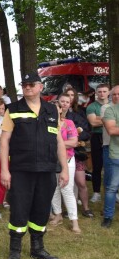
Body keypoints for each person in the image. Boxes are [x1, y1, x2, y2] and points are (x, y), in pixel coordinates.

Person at [0, 72, 69, 259]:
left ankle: (37, 248)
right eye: (25, 85)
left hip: (47, 169)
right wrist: (5, 170)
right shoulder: (13, 109)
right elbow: (4, 141)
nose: (27, 88)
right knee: (19, 210)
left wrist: (64, 169)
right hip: (21, 169)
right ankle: (15, 250)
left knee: (41, 209)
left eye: (31, 85)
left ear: (40, 87)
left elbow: (58, 141)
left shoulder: (52, 110)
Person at [49, 95, 81, 234]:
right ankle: (58, 215)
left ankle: (74, 221)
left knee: (67, 189)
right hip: (50, 161)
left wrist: (56, 144)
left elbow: (74, 142)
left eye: (57, 109)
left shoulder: (69, 123)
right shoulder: (46, 124)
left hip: (67, 160)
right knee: (54, 189)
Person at [63, 87, 93, 217]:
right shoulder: (56, 114)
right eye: (67, 95)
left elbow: (86, 132)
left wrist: (74, 138)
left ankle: (86, 208)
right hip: (62, 152)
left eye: (72, 95)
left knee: (80, 182)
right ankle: (69, 208)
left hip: (77, 151)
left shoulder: (80, 113)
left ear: (74, 98)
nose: (69, 97)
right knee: (65, 183)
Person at [86, 83, 110, 203]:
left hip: (111, 137)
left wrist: (100, 118)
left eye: (104, 91)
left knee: (110, 166)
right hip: (97, 137)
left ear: (108, 92)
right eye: (99, 91)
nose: (102, 94)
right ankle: (96, 193)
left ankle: (113, 192)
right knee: (97, 166)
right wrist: (109, 120)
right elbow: (93, 123)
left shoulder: (113, 105)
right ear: (96, 93)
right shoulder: (91, 107)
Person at [102, 85, 119, 228]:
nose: (117, 96)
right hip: (116, 155)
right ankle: (108, 217)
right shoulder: (110, 110)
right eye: (114, 94)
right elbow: (112, 130)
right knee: (112, 187)